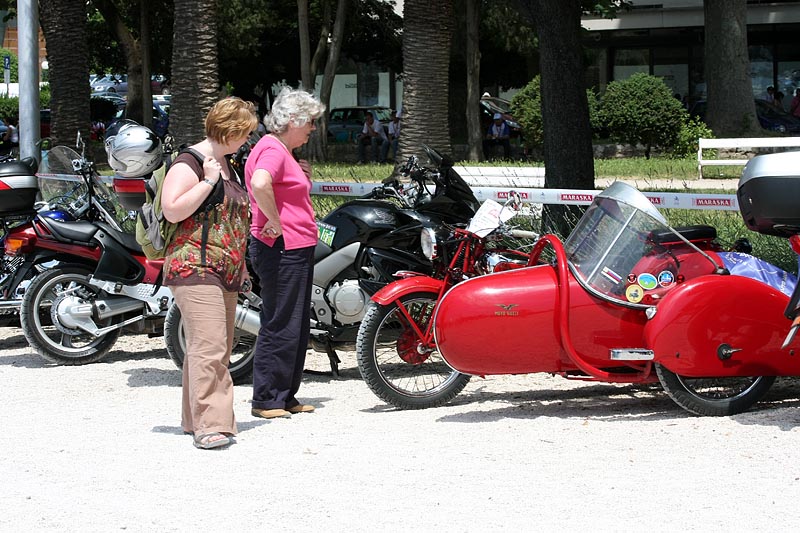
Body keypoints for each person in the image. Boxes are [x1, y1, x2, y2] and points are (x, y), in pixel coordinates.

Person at [160, 97, 258, 449]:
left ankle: (195, 419)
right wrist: (206, 182)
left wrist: (242, 262)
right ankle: (211, 425)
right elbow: (171, 210)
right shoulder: (190, 162)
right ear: (228, 130)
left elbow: (230, 221)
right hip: (194, 266)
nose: (245, 140)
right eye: (243, 133)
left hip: (226, 267)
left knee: (214, 346)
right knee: (211, 346)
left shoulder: (227, 164)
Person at [245, 87, 325, 420]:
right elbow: (261, 183)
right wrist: (275, 222)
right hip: (281, 247)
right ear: (294, 119)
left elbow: (275, 186)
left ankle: (284, 394)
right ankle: (266, 398)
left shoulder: (280, 150)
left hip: (292, 247)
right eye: (310, 122)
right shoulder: (273, 150)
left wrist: (299, 177)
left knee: (294, 323)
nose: (312, 129)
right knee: (281, 322)